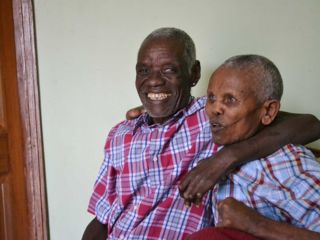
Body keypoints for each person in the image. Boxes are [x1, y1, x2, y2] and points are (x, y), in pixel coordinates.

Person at [82, 27, 320, 240]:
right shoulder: (121, 134)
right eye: (143, 71)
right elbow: (102, 219)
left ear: (194, 73)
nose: (153, 81)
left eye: (168, 70)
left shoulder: (214, 118)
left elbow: (310, 125)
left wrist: (225, 159)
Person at [189, 54, 320, 240]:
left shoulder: (287, 163)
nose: (214, 109)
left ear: (268, 111)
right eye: (211, 97)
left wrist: (256, 224)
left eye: (230, 100)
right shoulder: (216, 148)